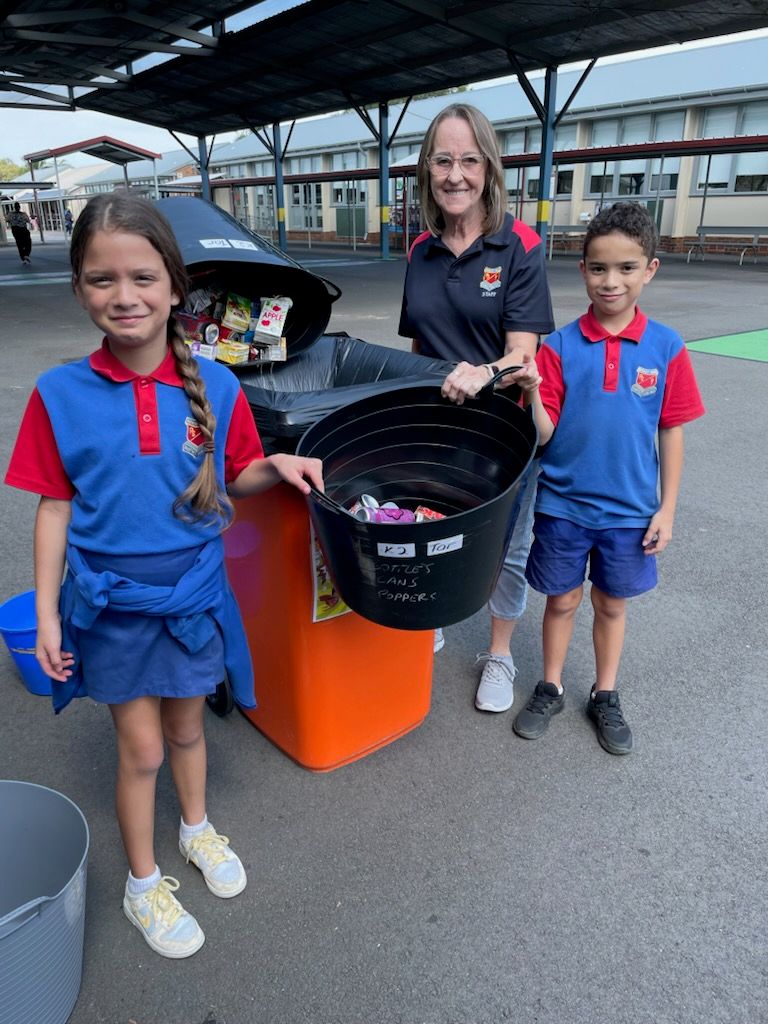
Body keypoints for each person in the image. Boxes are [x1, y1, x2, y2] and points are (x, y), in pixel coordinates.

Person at [4, 192, 324, 958]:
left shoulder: (215, 385)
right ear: (79, 288)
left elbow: (236, 475)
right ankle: (142, 883)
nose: (125, 296)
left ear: (176, 286)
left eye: (143, 277)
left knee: (187, 728)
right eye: (101, 279)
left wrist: (272, 464)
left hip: (194, 598)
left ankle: (196, 829)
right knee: (141, 748)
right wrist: (47, 615)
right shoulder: (58, 394)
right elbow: (54, 510)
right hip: (111, 608)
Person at [510, 201, 705, 755]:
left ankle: (606, 692)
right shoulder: (560, 347)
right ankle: (550, 684)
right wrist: (529, 394)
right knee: (562, 601)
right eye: (598, 268)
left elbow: (671, 431)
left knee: (611, 604)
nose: (611, 281)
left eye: (625, 268)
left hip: (631, 511)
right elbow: (543, 436)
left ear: (650, 269)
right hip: (563, 507)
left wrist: (666, 510)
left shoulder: (666, 347)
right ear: (583, 271)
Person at [399, 102, 554, 713]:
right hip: (439, 428)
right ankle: (433, 616)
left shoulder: (520, 246)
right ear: (427, 170)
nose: (455, 174)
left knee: (506, 549)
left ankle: (500, 653)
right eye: (443, 160)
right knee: (431, 526)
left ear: (489, 168)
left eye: (468, 160)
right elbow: (418, 346)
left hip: (504, 430)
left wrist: (483, 373)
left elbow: (523, 356)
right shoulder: (419, 251)